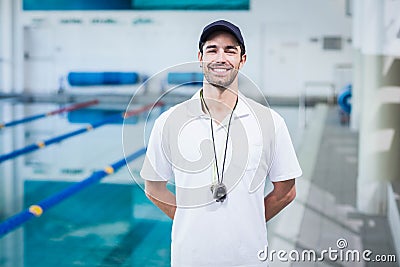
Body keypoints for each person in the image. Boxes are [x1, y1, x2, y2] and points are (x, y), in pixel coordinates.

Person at [140, 19, 302, 267]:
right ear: (200, 57)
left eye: (230, 50)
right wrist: (190, 220)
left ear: (242, 60)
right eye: (212, 49)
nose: (221, 57)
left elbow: (286, 191)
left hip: (248, 258)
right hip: (190, 258)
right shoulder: (170, 121)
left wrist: (249, 223)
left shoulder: (270, 122)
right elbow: (153, 188)